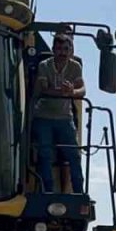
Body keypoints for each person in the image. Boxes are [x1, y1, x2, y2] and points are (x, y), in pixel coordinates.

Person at [31, 32, 85, 194]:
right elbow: (43, 89)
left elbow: (82, 90)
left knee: (74, 155)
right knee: (45, 154)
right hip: (43, 117)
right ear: (53, 50)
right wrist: (63, 92)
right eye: (59, 49)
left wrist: (72, 91)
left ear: (71, 51)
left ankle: (78, 192)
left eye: (66, 49)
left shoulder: (75, 67)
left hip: (65, 118)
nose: (63, 52)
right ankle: (47, 191)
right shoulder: (44, 66)